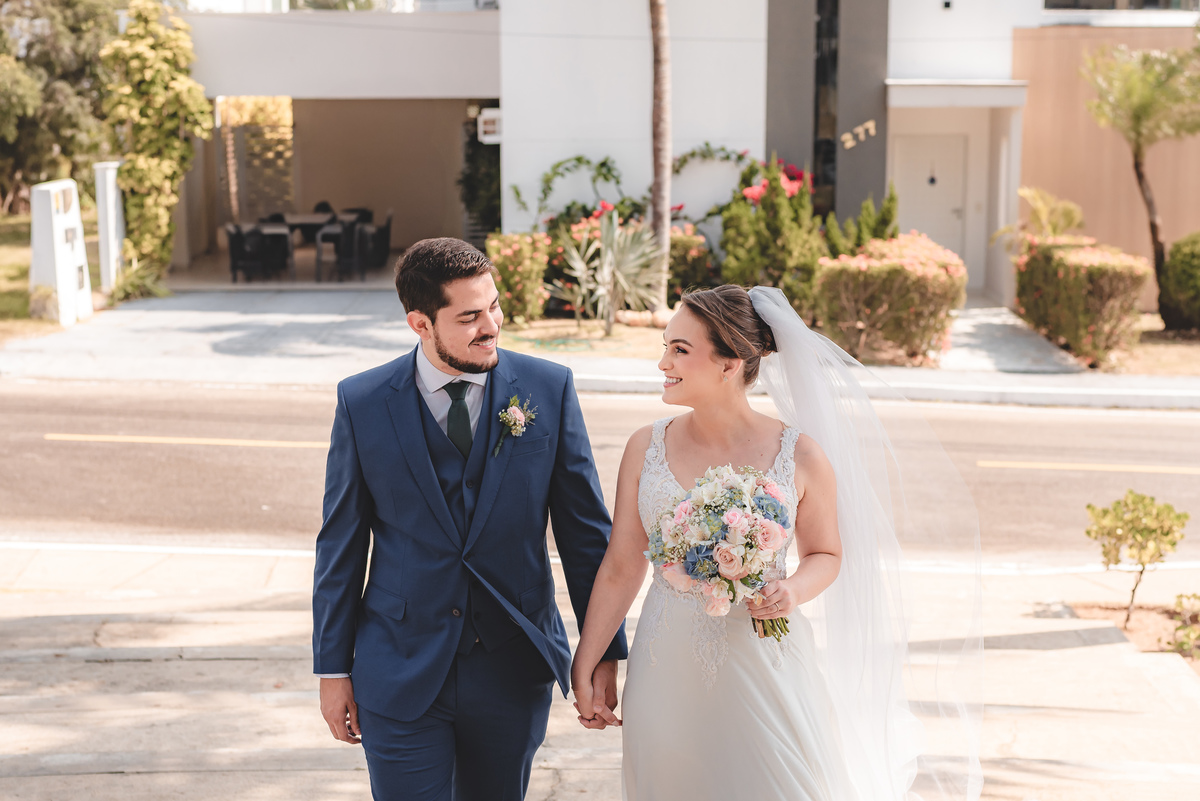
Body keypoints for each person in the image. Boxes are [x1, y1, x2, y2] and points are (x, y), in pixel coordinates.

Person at [570, 285, 978, 800]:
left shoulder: (801, 456)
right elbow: (622, 564)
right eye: (666, 346)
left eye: (680, 350)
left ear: (730, 363)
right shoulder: (644, 446)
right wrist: (587, 659)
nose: (662, 363)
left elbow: (826, 554)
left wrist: (794, 591)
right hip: (664, 666)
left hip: (763, 660)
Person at [313, 237, 627, 801]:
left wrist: (603, 649)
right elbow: (341, 545)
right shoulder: (362, 402)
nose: (492, 327)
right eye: (470, 317)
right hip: (399, 665)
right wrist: (332, 669)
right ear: (420, 324)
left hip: (511, 664)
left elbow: (585, 536)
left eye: (495, 306)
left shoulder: (548, 389)